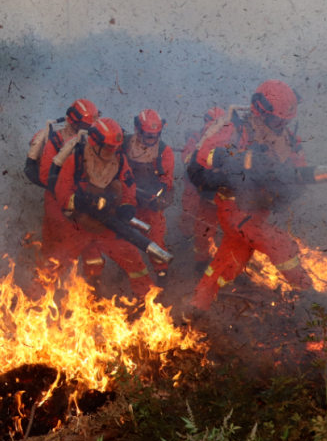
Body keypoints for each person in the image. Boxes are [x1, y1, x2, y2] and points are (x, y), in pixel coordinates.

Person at [186, 80, 312, 310]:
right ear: (259, 109)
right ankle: (309, 298)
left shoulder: (290, 141)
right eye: (277, 120)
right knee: (280, 244)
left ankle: (196, 306)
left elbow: (299, 175)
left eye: (286, 121)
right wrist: (238, 162)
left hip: (259, 211)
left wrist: (282, 193)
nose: (281, 125)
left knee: (229, 262)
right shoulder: (234, 130)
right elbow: (200, 160)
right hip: (235, 210)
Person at [53, 118, 160, 297]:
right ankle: (36, 300)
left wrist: (127, 206)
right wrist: (86, 201)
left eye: (115, 147)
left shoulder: (119, 159)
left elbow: (128, 186)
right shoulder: (75, 160)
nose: (112, 151)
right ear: (94, 142)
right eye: (109, 147)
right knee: (55, 264)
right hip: (77, 225)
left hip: (108, 223)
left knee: (134, 262)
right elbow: (62, 194)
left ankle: (144, 300)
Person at [24, 99, 103, 279]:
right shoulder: (56, 141)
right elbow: (46, 176)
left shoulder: (92, 141)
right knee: (57, 247)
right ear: (71, 120)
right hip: (57, 202)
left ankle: (93, 284)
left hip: (86, 201)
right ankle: (46, 283)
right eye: (85, 126)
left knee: (91, 246)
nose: (88, 130)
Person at [122, 110, 175, 283]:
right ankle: (126, 268)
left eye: (155, 135)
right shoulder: (125, 144)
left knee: (155, 238)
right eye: (148, 135)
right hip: (126, 200)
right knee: (124, 236)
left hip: (149, 203)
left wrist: (158, 192)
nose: (152, 139)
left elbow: (166, 179)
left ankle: (161, 272)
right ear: (137, 129)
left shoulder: (163, 151)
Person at [178, 107, 226, 270]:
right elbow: (186, 157)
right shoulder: (197, 137)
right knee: (189, 212)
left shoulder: (228, 139)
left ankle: (209, 253)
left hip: (214, 189)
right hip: (193, 184)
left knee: (210, 223)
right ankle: (185, 236)